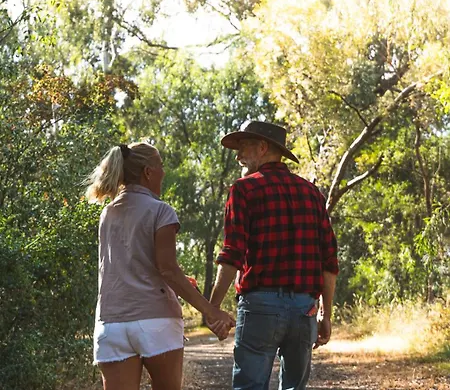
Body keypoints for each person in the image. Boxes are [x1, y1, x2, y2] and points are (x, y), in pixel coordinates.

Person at [85, 142, 235, 390]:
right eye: (161, 166)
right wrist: (210, 311)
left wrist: (177, 282)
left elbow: (134, 265)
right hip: (156, 322)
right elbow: (167, 269)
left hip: (111, 323)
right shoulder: (161, 211)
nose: (164, 172)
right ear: (148, 172)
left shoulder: (107, 214)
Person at [208, 121, 339, 390]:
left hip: (260, 306)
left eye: (243, 147)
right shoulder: (313, 194)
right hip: (304, 308)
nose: (238, 155)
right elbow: (329, 260)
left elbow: (232, 253)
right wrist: (325, 314)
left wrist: (212, 307)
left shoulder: (244, 189)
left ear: (262, 147)